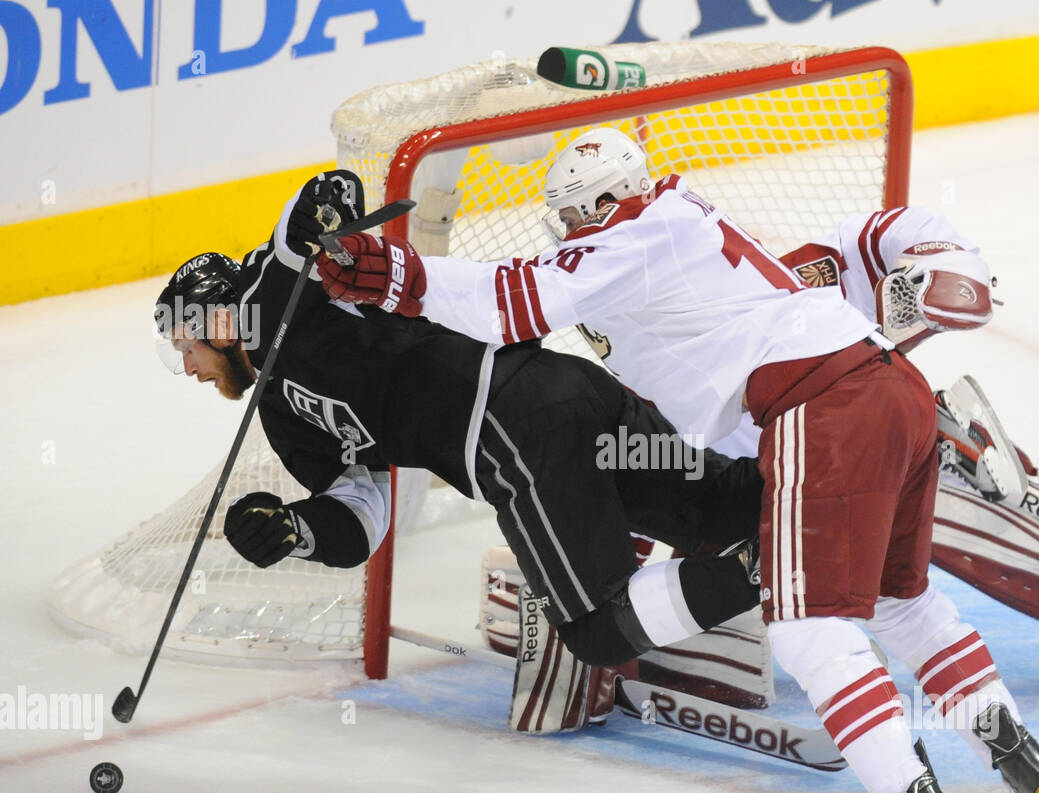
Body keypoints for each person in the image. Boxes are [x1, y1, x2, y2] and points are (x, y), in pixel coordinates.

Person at [317, 127, 1039, 793]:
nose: (568, 232)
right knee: (899, 599)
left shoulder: (636, 232)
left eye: (574, 214)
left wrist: (394, 274)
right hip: (890, 391)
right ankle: (1008, 742)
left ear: (605, 200)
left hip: (824, 407)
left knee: (803, 621)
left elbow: (515, 302)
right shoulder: (682, 225)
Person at [154, 170, 766, 708]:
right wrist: (294, 530)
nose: (187, 368)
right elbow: (363, 518)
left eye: (186, 345)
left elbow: (324, 193)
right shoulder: (285, 416)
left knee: (599, 629)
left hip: (517, 435)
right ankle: (828, 505)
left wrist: (325, 215)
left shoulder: (282, 286)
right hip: (572, 395)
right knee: (724, 510)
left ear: (219, 322)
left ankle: (760, 572)